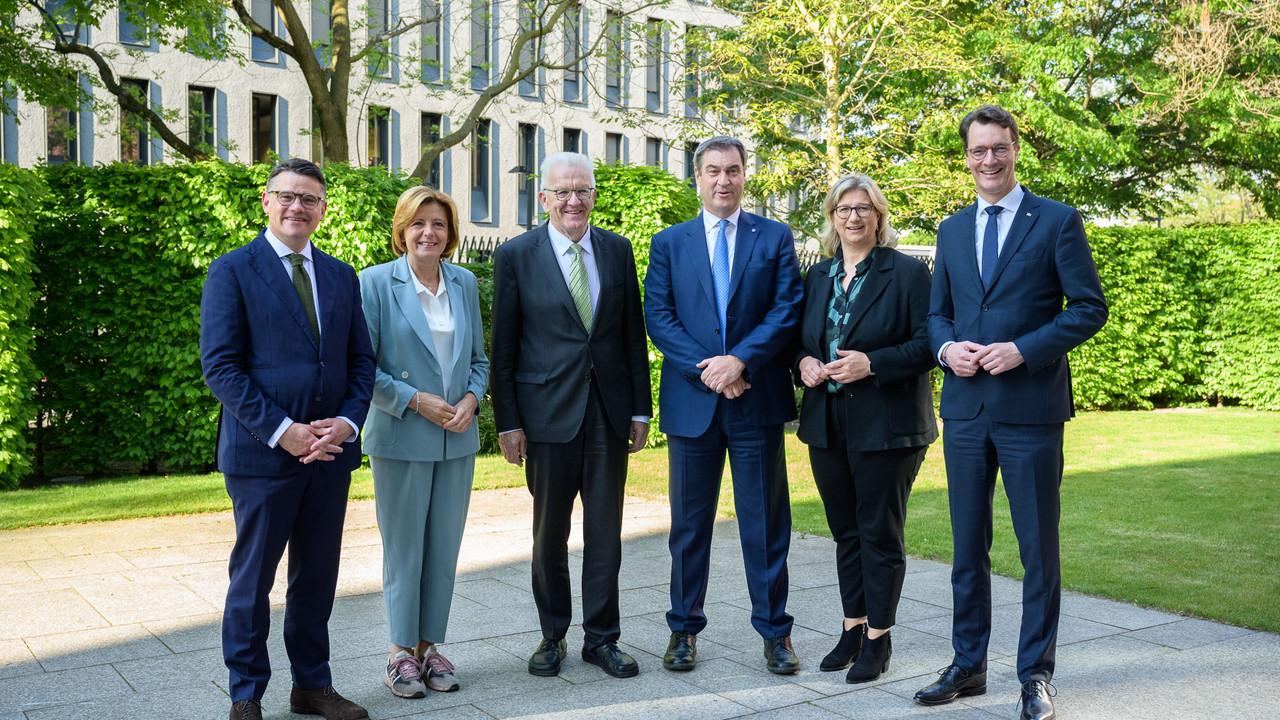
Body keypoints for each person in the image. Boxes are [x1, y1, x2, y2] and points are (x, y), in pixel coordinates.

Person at [915, 105, 1107, 720]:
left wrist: (1022, 349)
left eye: (999, 148)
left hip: (1031, 410)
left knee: (1036, 552)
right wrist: (947, 350)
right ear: (966, 156)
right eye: (978, 151)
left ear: (1015, 149)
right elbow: (936, 313)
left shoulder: (1056, 221)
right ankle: (968, 666)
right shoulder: (949, 229)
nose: (988, 161)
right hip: (966, 412)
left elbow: (1087, 308)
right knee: (967, 547)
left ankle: (1035, 676)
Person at [201, 158, 375, 720]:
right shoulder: (232, 271)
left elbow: (361, 363)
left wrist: (346, 425)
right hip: (261, 456)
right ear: (266, 201)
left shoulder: (341, 276)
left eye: (310, 199)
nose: (298, 207)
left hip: (330, 455)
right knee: (252, 580)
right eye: (287, 196)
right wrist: (285, 431)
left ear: (322, 210)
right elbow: (221, 368)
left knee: (317, 578)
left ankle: (311, 686)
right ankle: (246, 693)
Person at [644, 136, 804, 675]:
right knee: (689, 526)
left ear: (744, 175)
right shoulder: (669, 242)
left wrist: (739, 362)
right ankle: (683, 631)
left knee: (764, 523)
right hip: (694, 404)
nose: (723, 181)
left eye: (732, 171)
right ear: (697, 176)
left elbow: (786, 311)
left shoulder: (775, 236)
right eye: (713, 171)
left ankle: (776, 634)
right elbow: (660, 319)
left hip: (755, 400)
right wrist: (712, 370)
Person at [490, 151, 652, 679]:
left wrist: (640, 410)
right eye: (562, 192)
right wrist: (508, 422)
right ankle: (552, 635)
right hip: (546, 416)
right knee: (549, 534)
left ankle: (602, 639)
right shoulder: (516, 255)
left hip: (607, 412)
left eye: (582, 190)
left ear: (594, 195)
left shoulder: (618, 250)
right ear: (544, 199)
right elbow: (505, 348)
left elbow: (631, 334)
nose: (573, 201)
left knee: (606, 533)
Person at [794, 174, 938, 683]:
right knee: (846, 533)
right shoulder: (819, 276)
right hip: (827, 425)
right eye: (842, 209)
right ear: (831, 219)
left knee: (879, 533)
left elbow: (930, 344)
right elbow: (799, 341)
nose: (852, 218)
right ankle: (852, 626)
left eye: (863, 209)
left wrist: (871, 363)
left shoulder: (908, 274)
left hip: (888, 426)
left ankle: (879, 637)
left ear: (879, 217)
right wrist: (806, 364)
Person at [358, 187, 489, 699]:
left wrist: (473, 400)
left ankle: (430, 649)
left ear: (450, 233)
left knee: (443, 549)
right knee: (405, 550)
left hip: (456, 436)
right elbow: (362, 367)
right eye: (418, 224)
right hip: (401, 433)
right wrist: (415, 400)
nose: (428, 233)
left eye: (437, 224)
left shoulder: (465, 282)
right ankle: (399, 655)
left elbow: (479, 359)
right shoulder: (373, 284)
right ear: (402, 231)